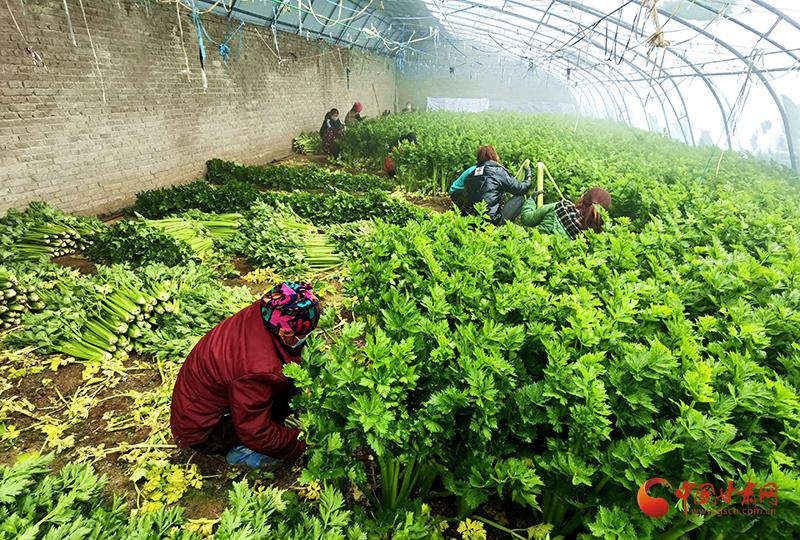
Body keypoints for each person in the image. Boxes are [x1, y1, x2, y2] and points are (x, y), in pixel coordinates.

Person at [170, 282, 320, 469]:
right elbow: (256, 431)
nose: (305, 338)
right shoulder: (257, 369)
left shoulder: (268, 311)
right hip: (202, 428)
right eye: (303, 334)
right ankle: (240, 452)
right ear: (286, 333)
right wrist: (304, 442)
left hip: (204, 398)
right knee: (267, 431)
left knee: (285, 388)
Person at [463, 145, 535, 225]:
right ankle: (501, 228)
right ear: (494, 156)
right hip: (490, 221)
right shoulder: (498, 172)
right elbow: (520, 189)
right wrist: (528, 177)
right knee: (519, 199)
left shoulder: (470, 175)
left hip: (470, 220)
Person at [519, 187, 612, 239]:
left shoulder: (563, 207)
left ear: (583, 197)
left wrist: (531, 200)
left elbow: (527, 219)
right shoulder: (594, 237)